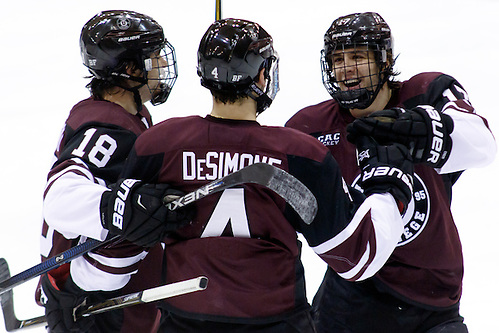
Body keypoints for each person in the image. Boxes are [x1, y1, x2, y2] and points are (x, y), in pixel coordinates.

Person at [118, 18, 415, 332]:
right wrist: (387, 189)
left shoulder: (159, 145)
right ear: (262, 75)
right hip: (276, 323)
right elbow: (356, 259)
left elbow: (110, 263)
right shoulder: (300, 154)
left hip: (184, 322)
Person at [285, 12, 497, 333]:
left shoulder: (425, 94)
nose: (346, 69)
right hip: (354, 291)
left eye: (357, 56)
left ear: (383, 60)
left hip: (433, 292)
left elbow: (483, 144)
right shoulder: (310, 128)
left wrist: (421, 129)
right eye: (338, 59)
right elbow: (266, 200)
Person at [36, 10, 192, 332]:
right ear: (131, 70)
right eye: (153, 58)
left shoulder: (120, 114)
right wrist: (118, 207)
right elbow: (60, 198)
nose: (162, 65)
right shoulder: (108, 129)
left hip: (88, 294)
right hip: (92, 307)